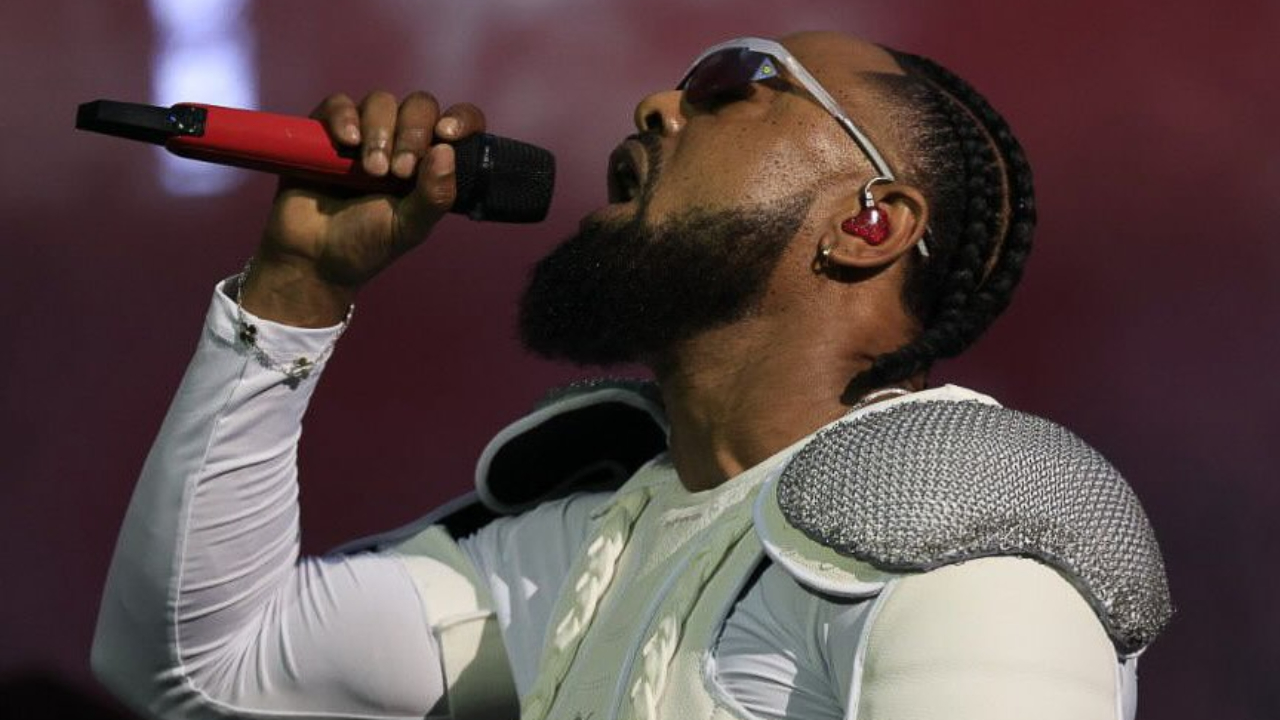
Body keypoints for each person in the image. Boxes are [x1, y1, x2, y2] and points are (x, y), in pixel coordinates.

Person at [91, 31, 1171, 720]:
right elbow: (197, 674)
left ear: (870, 221)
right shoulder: (606, 536)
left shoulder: (961, 537)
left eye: (734, 83)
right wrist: (297, 286)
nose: (659, 103)